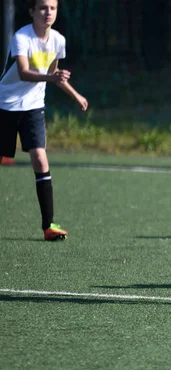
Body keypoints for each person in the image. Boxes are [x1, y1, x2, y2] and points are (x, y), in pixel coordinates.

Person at [0, 0, 88, 240]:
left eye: (52, 8)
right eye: (42, 8)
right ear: (31, 12)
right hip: (5, 105)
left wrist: (76, 95)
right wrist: (53, 78)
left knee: (40, 158)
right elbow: (24, 72)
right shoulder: (22, 38)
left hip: (33, 108)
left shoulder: (58, 41)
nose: (48, 12)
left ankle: (49, 226)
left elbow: (54, 75)